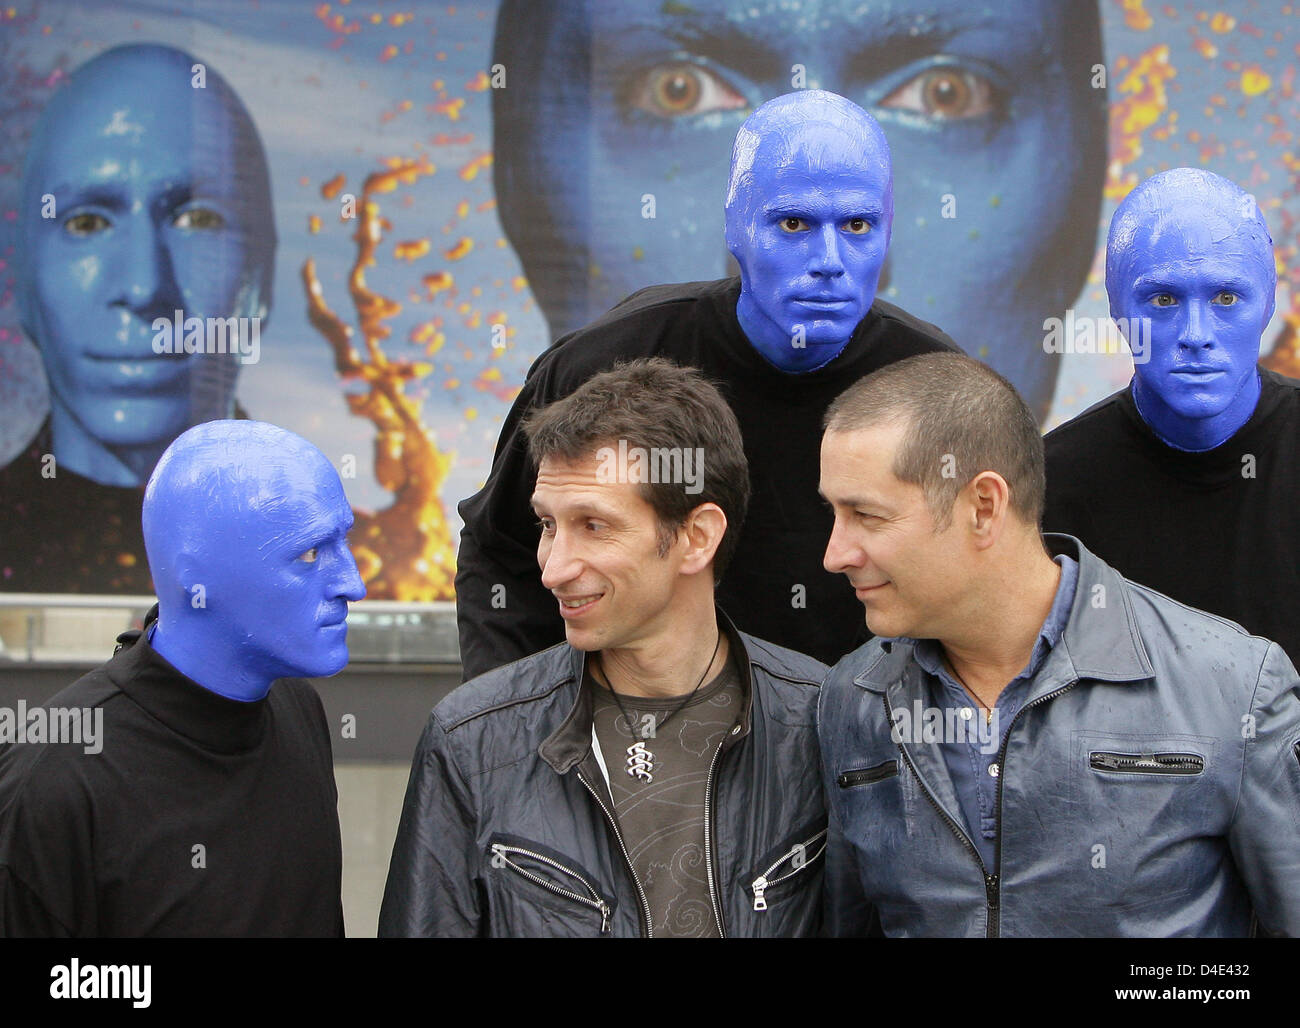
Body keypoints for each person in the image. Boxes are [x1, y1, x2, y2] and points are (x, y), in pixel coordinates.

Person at [457, 89, 957, 678]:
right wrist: (516, 718)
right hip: (644, 714)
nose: (829, 258)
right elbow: (503, 551)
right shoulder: (607, 361)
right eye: (793, 223)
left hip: (865, 723)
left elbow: (983, 581)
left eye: (857, 224)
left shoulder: (936, 384)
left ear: (888, 231)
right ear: (735, 225)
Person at [818, 351, 1300, 936]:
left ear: (983, 507)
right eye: (834, 513)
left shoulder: (1231, 687)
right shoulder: (852, 699)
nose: (835, 554)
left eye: (867, 515)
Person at [490, 0, 1105, 419]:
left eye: (945, 94)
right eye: (678, 90)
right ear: (516, 174)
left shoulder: (960, 396)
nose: (827, 260)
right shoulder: (581, 371)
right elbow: (503, 554)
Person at [381, 360, 827, 937]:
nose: (553, 569)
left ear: (697, 537)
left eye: (593, 525)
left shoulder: (823, 720)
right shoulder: (474, 740)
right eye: (547, 525)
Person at [0, 420, 363, 936]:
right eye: (309, 554)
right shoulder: (52, 786)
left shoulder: (297, 711)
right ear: (197, 575)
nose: (353, 583)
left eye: (344, 540)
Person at [0, 42, 276, 592]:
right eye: (86, 224)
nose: (143, 285)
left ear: (262, 277)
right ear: (21, 282)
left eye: (197, 219)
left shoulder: (357, 554)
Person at [1043, 168, 1300, 664]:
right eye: (1163, 300)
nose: (1196, 334)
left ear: (1268, 303)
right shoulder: (1050, 488)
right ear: (1117, 310)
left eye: (1226, 298)